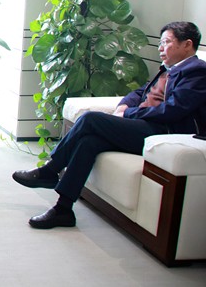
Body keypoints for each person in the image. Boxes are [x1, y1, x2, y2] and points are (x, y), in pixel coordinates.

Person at [13, 21, 206, 229]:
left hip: (162, 132)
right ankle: (63, 209)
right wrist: (124, 105)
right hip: (145, 125)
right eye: (160, 43)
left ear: (187, 44)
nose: (160, 48)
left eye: (166, 42)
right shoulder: (169, 69)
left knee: (90, 119)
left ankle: (51, 169)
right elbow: (141, 92)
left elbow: (174, 109)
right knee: (89, 142)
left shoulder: (197, 71)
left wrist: (129, 113)